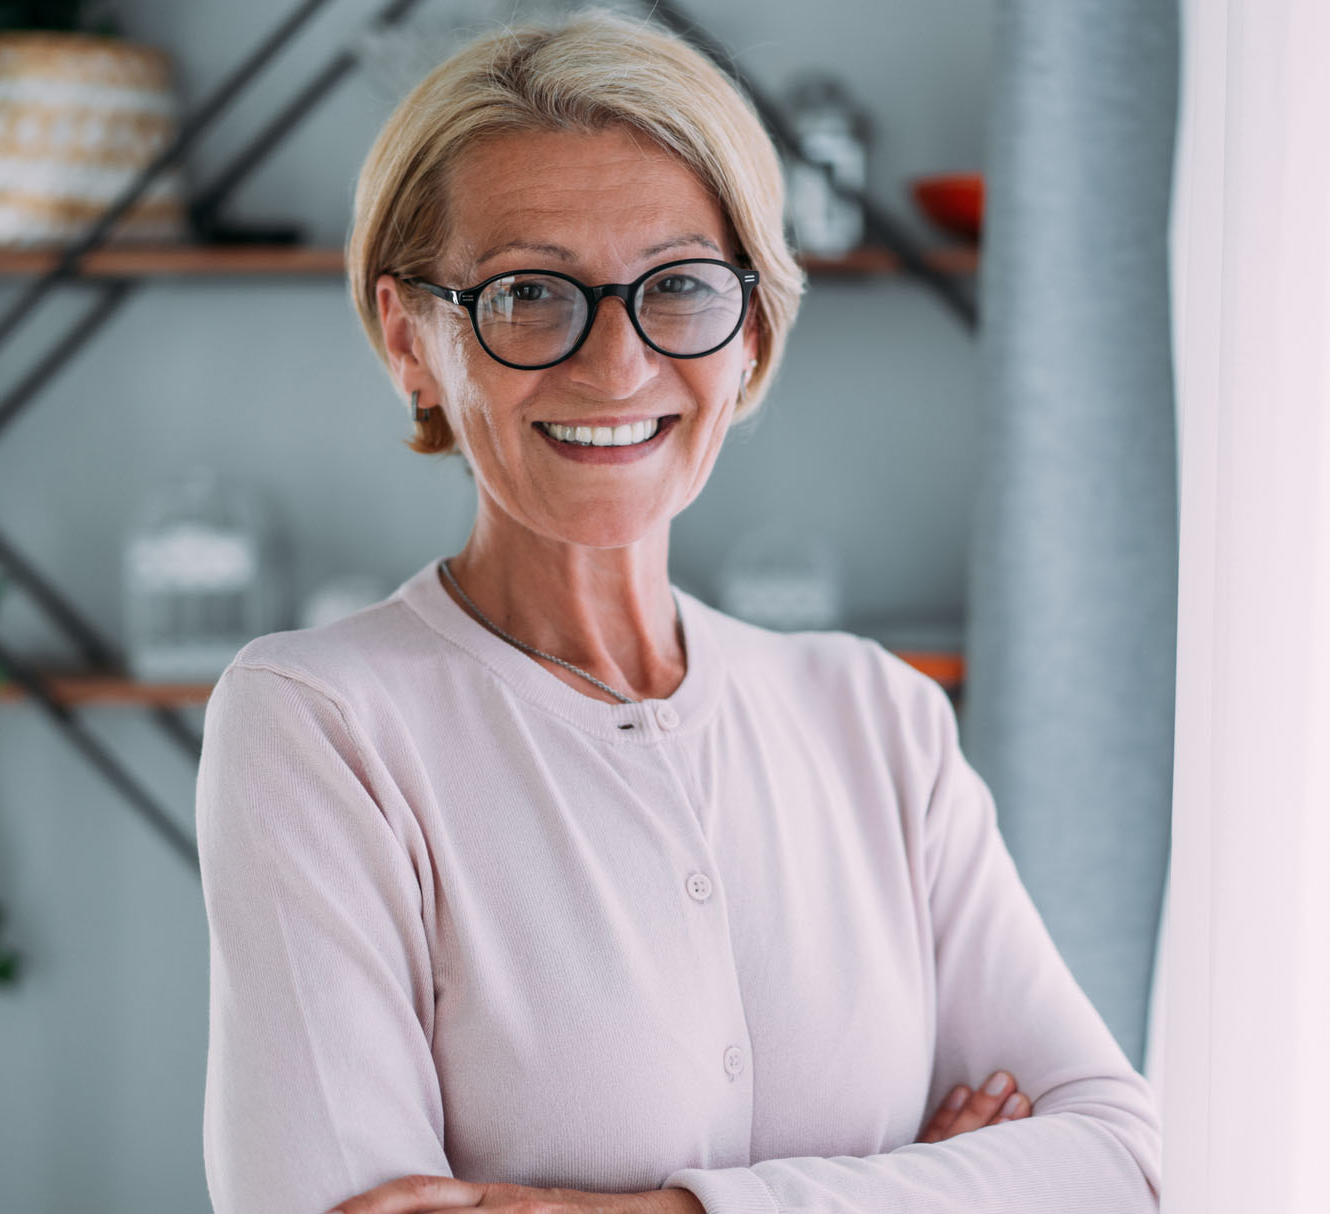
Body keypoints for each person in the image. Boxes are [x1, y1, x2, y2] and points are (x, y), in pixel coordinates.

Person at [195, 10, 1161, 1214]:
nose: (614, 366)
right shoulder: (322, 724)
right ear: (411, 337)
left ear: (750, 329)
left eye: (682, 287)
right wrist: (920, 1179)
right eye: (531, 293)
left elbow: (1118, 1161)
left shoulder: (876, 717)